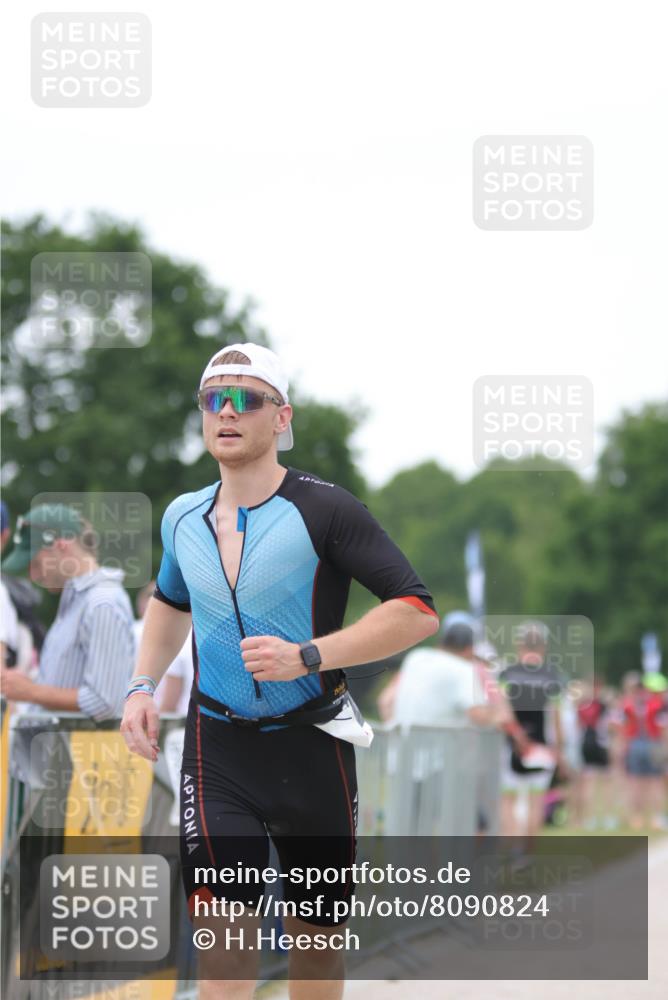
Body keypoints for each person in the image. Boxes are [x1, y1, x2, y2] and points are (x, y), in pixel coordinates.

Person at [120, 343, 438, 1000]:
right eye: (214, 399)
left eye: (246, 399)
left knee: (316, 958)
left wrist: (309, 655)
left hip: (313, 750)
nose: (227, 412)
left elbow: (416, 611)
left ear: (281, 417)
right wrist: (141, 686)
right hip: (217, 753)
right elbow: (170, 602)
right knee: (225, 960)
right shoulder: (183, 516)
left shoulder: (326, 509)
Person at [0, 503, 135, 720]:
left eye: (36, 562)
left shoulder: (102, 603)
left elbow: (105, 702)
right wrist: (31, 684)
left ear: (61, 544)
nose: (33, 575)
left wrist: (31, 691)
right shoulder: (79, 602)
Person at [498, 621, 568, 838]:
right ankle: (526, 850)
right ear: (543, 646)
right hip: (542, 745)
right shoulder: (552, 676)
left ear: (519, 644)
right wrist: (559, 750)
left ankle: (511, 849)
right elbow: (556, 717)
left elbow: (503, 709)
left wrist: (517, 735)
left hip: (510, 744)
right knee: (536, 801)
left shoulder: (506, 674)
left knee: (507, 800)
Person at [384, 611, 505, 729]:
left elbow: (386, 701)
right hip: (442, 742)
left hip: (405, 741)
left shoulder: (416, 657)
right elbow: (479, 715)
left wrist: (398, 733)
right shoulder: (465, 669)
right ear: (470, 648)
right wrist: (500, 715)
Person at [613, 671, 668, 830]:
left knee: (636, 783)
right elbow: (663, 727)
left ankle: (637, 818)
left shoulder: (627, 705)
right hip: (653, 742)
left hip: (634, 744)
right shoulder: (656, 704)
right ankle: (656, 817)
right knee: (655, 782)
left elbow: (618, 725)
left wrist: (621, 744)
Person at [134, 580, 194, 715]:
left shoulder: (176, 638)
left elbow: (171, 696)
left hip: (145, 709)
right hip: (190, 716)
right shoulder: (187, 636)